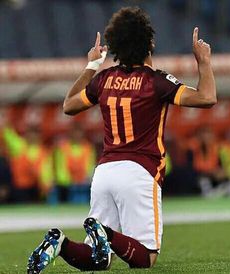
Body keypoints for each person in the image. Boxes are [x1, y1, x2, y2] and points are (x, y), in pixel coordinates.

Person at [27, 7, 216, 273]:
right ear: (149, 42)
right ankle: (105, 232)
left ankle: (60, 244)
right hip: (139, 172)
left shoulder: (104, 79)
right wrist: (204, 62)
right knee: (146, 257)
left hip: (104, 172)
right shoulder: (156, 81)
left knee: (99, 259)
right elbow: (207, 98)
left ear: (115, 45)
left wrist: (92, 65)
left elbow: (69, 105)